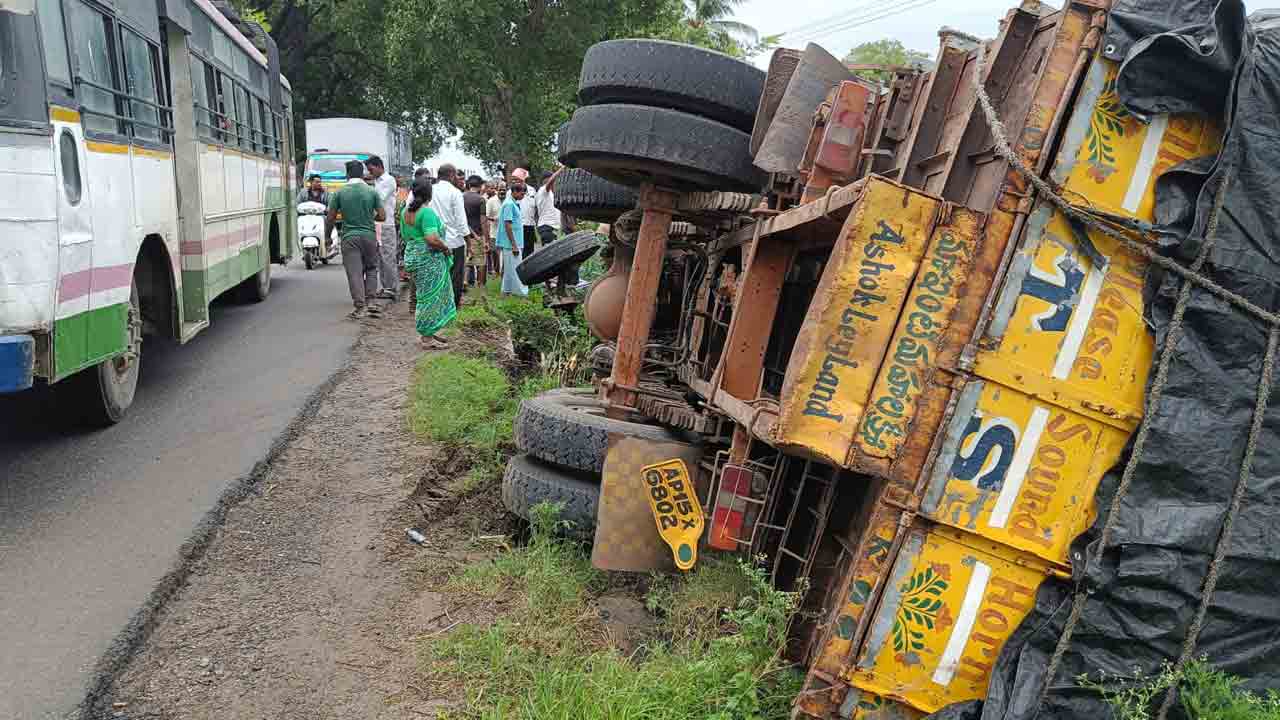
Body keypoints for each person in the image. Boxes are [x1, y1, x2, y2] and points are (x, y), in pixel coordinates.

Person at [325, 159, 385, 319]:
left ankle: (360, 308)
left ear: (347, 174)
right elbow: (382, 216)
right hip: (369, 236)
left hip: (349, 237)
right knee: (372, 268)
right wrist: (370, 216)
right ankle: (371, 301)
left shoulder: (340, 193)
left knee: (355, 273)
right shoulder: (372, 191)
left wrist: (327, 237)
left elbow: (330, 218)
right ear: (362, 173)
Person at [401, 179, 456, 349]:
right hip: (428, 259)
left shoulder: (405, 212)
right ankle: (426, 338)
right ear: (429, 195)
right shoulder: (427, 213)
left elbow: (405, 237)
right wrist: (446, 248)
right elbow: (431, 239)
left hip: (413, 256)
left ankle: (429, 331)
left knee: (424, 295)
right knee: (430, 297)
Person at [429, 164, 472, 308]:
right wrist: (469, 242)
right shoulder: (455, 193)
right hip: (454, 241)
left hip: (433, 239)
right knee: (455, 275)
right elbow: (461, 220)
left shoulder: (430, 190)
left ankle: (436, 303)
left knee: (437, 273)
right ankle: (452, 304)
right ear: (452, 175)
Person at [496, 182, 529, 297]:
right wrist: (514, 245)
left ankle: (506, 291)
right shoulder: (509, 204)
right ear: (514, 192)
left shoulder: (512, 203)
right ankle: (521, 293)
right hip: (511, 244)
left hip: (513, 243)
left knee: (510, 270)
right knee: (515, 269)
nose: (522, 196)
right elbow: (508, 225)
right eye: (521, 193)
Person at [462, 175, 488, 288]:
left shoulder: (461, 197)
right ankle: (480, 284)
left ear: (469, 185)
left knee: (468, 259)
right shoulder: (481, 199)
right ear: (480, 186)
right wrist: (486, 239)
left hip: (464, 233)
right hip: (477, 234)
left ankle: (465, 281)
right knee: (481, 261)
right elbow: (483, 221)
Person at [512, 168, 538, 258]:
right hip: (518, 225)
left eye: (517, 178)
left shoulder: (532, 190)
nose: (515, 180)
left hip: (530, 224)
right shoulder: (511, 191)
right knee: (519, 250)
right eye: (514, 179)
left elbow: (535, 207)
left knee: (530, 251)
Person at [486, 182, 505, 275]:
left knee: (505, 253)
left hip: (506, 232)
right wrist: (494, 219)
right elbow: (486, 216)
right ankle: (497, 271)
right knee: (495, 252)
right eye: (500, 190)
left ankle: (503, 271)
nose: (502, 192)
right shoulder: (491, 201)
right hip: (494, 232)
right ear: (497, 190)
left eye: (504, 190)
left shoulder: (509, 200)